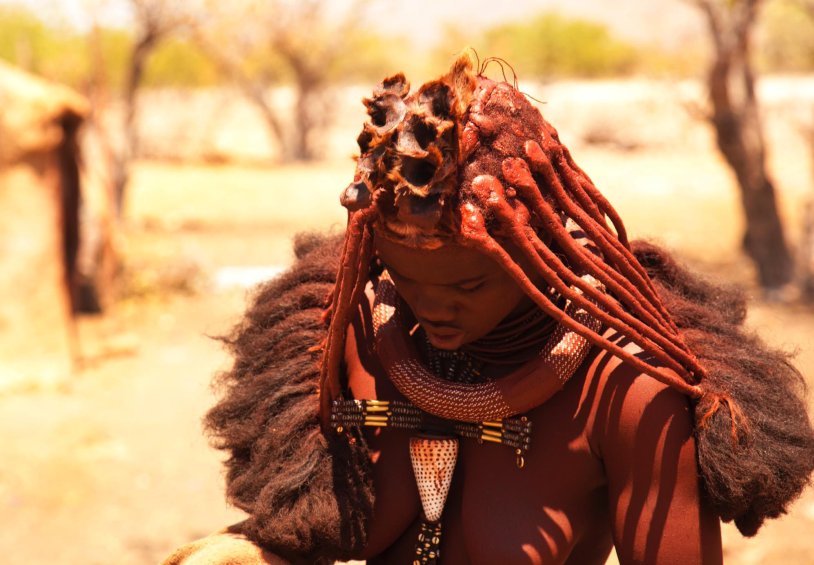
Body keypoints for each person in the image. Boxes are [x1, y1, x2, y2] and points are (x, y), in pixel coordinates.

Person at [163, 54, 814, 565]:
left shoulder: (627, 394)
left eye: (467, 287)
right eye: (407, 280)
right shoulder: (351, 344)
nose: (431, 308)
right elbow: (302, 535)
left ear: (537, 250)